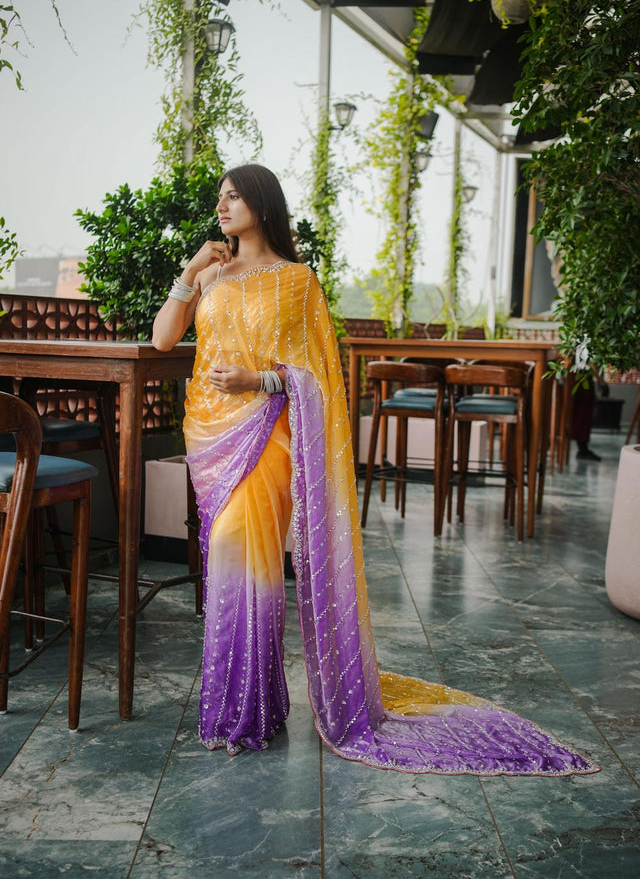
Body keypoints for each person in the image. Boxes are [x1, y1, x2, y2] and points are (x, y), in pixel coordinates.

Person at [152, 163, 597, 776]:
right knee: (228, 560)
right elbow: (162, 341)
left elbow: (321, 379)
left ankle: (247, 708)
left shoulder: (297, 281)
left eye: (234, 196)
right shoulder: (211, 275)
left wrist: (262, 379)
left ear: (262, 203)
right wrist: (188, 273)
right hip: (211, 438)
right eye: (219, 197)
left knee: (243, 553)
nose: (222, 205)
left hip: (268, 436)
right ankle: (253, 705)